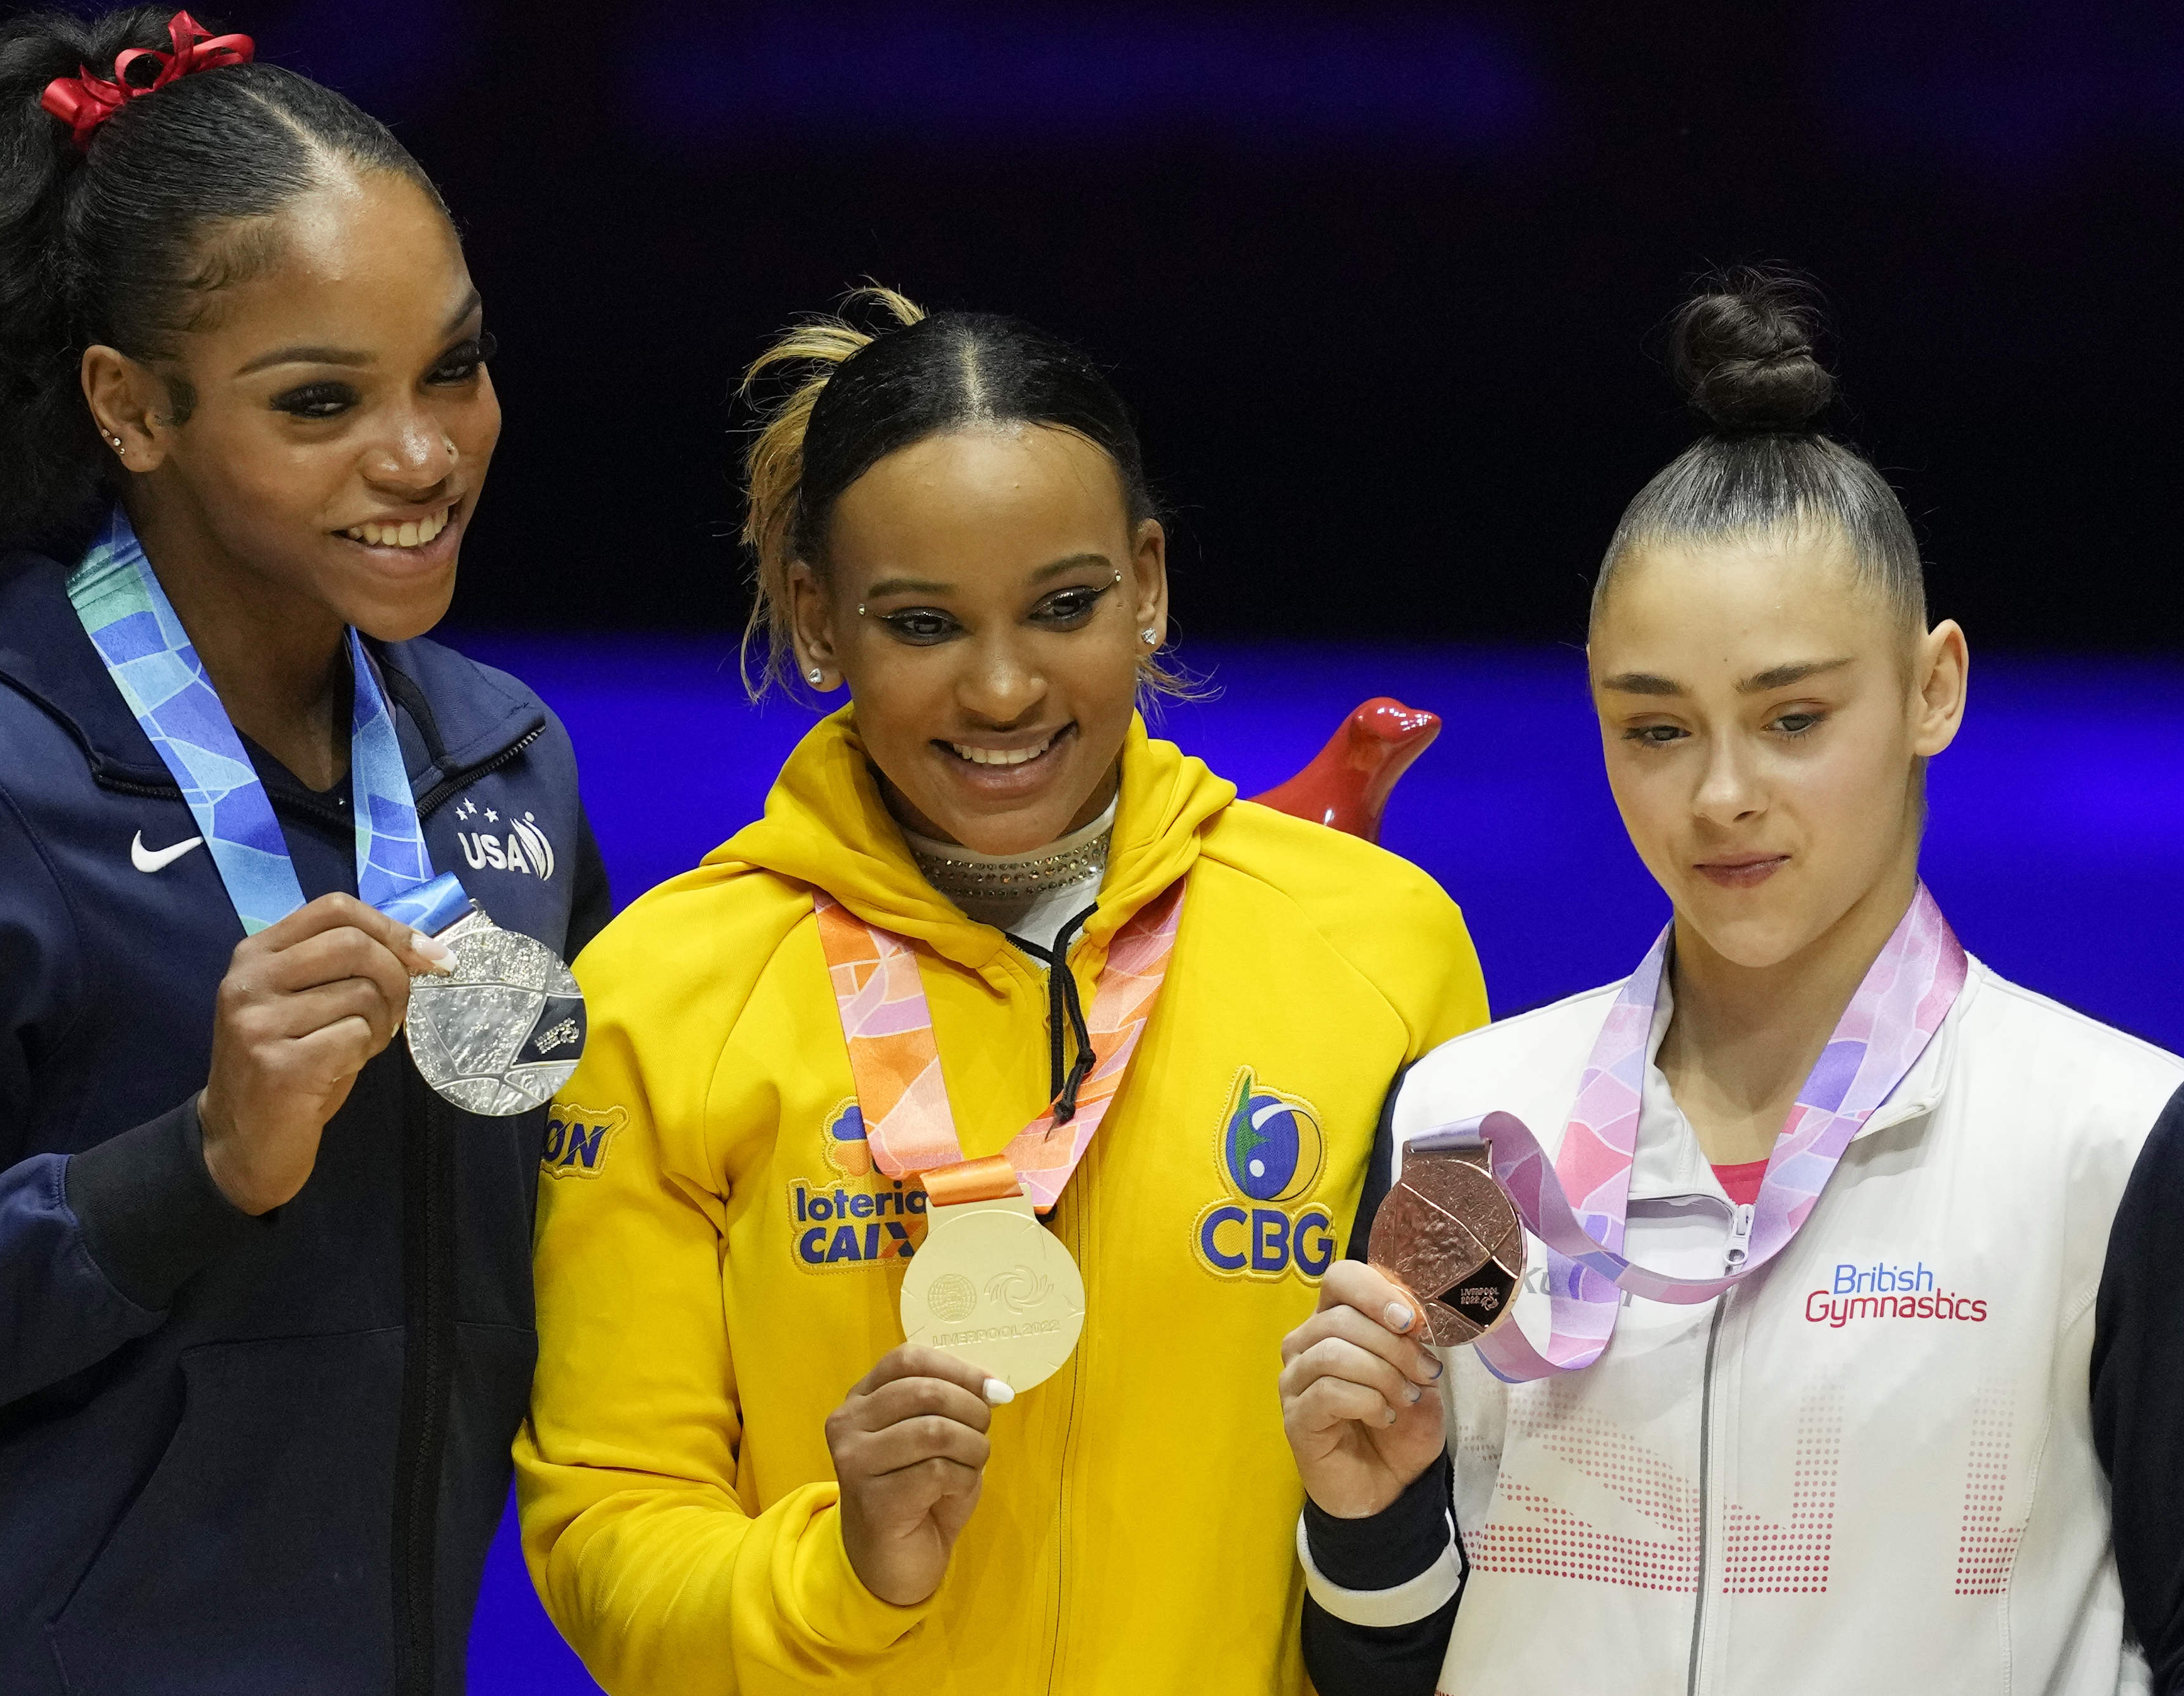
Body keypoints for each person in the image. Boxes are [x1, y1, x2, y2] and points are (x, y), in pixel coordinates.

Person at [0, 5, 607, 1695]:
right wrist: (198, 1160)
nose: (422, 453)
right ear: (131, 405)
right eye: (319, 401)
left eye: (452, 366)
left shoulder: (498, 764)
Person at [514, 290, 1487, 1692]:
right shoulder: (664, 994)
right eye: (921, 623)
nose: (1003, 686)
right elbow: (606, 1526)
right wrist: (841, 1572)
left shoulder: (1383, 947)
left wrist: (1387, 1520)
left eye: (1066, 606)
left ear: (1147, 584)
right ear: (815, 618)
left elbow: (1487, 1445)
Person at [1281, 268, 2184, 1694]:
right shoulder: (1461, 1118)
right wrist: (1367, 1513)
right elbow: (1384, 1666)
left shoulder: (2115, 1139)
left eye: (1793, 717)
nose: (1719, 794)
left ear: (1932, 689)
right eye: (1655, 728)